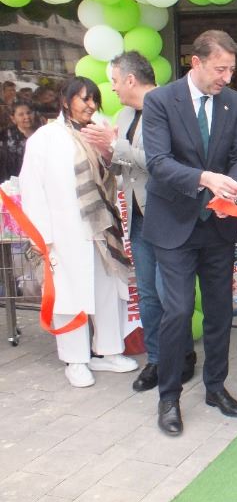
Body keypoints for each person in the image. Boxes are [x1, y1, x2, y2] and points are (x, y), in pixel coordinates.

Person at [142, 30, 237, 436]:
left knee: (221, 310)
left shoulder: (233, 103)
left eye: (231, 69)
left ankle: (215, 387)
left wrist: (234, 185)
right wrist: (206, 179)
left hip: (218, 224)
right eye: (220, 69)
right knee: (178, 310)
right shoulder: (160, 101)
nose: (227, 77)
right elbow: (157, 162)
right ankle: (168, 397)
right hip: (174, 225)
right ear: (196, 62)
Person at [80, 51, 197, 393]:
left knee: (169, 294)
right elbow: (124, 168)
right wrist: (107, 153)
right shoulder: (125, 114)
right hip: (138, 217)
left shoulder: (172, 107)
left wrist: (115, 146)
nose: (113, 88)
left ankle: (182, 356)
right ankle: (157, 360)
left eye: (115, 81)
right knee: (147, 294)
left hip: (170, 217)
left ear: (131, 79)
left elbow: (165, 164)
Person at [19, 77, 138, 388]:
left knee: (107, 290)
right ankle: (75, 360)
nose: (90, 105)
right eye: (84, 99)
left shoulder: (100, 129)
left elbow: (120, 178)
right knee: (69, 296)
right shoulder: (46, 138)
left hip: (102, 227)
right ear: (65, 100)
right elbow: (32, 189)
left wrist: (109, 149)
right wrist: (42, 237)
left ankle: (109, 351)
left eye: (94, 99)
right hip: (64, 232)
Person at [0, 101, 38, 182]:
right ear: (13, 118)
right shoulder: (5, 136)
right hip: (12, 180)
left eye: (29, 113)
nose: (27, 117)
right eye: (21, 114)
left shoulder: (41, 133)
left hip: (37, 178)